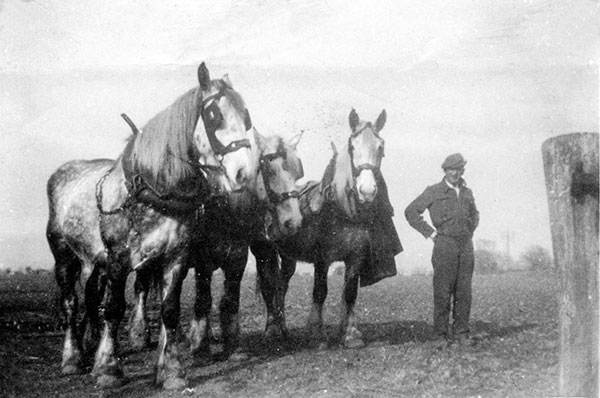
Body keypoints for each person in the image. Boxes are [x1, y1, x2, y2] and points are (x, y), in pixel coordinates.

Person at [404, 153, 479, 345]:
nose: (455, 173)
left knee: (464, 291)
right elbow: (411, 211)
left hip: (466, 245)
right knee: (443, 291)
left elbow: (475, 215)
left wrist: (467, 230)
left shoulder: (467, 192)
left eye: (459, 169)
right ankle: (440, 335)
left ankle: (462, 333)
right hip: (444, 244)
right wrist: (430, 233)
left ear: (463, 170)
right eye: (451, 169)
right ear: (445, 171)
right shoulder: (434, 191)